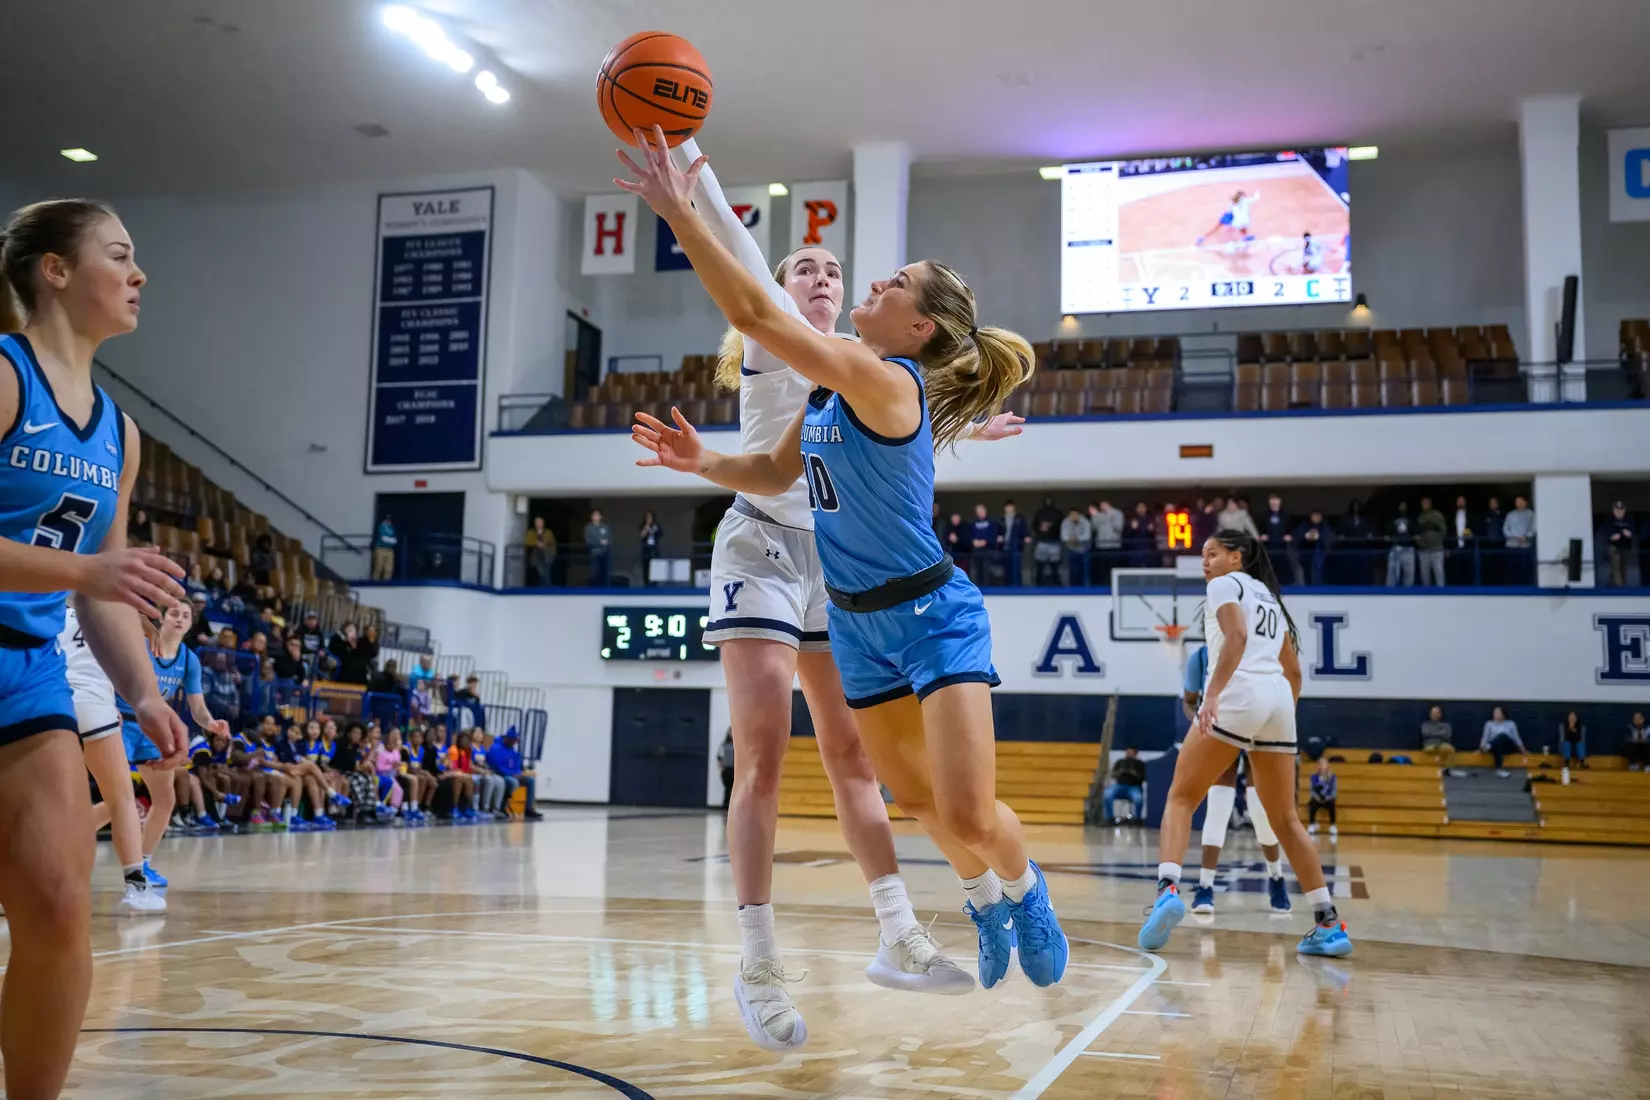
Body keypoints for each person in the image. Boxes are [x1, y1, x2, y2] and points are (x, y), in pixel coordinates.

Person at [624, 124, 1068, 1030]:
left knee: (966, 810)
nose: (857, 283)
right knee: (904, 795)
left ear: (920, 327)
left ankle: (1014, 891)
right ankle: (966, 906)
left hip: (926, 610)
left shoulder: (877, 373)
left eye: (884, 283)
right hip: (842, 607)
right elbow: (775, 471)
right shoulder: (832, 388)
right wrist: (701, 460)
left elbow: (754, 309)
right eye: (822, 272)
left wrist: (682, 208)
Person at [0, 198, 193, 1099]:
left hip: (26, 669)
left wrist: (146, 694)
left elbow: (105, 583)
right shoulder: (3, 377)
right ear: (55, 271)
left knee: (59, 903)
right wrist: (82, 577)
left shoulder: (120, 431)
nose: (140, 273)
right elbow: (91, 576)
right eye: (120, 254)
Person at [1137, 530, 1351, 958]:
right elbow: (1294, 673)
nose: (1205, 562)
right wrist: (1276, 720)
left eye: (1213, 554)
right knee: (1286, 819)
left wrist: (1212, 694)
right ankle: (1328, 922)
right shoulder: (1272, 600)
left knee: (1180, 796)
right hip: (1277, 704)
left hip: (1238, 694)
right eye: (1203, 555)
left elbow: (1235, 639)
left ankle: (1167, 890)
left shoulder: (1223, 586)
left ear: (1237, 558)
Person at [96, 600, 229, 888]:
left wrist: (211, 724)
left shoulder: (189, 659)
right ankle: (73, 836)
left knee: (165, 798)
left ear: (191, 623)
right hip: (121, 722)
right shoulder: (140, 643)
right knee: (119, 799)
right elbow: (106, 674)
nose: (180, 619)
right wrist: (108, 706)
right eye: (174, 614)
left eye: (185, 615)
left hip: (153, 729)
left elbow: (197, 707)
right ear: (162, 618)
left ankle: (142, 864)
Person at [1180, 643, 1291, 918]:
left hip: (1258, 723)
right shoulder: (1202, 656)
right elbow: (1188, 700)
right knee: (1217, 807)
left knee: (1260, 809)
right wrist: (1199, 720)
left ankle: (1276, 878)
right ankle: (1205, 886)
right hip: (1222, 725)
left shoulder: (1258, 647)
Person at [484, 728, 543, 820]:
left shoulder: (512, 751)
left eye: (516, 741)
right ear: (507, 739)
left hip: (512, 774)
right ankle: (503, 806)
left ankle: (528, 809)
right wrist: (512, 774)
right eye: (513, 740)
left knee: (530, 780)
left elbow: (516, 766)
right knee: (513, 782)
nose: (514, 743)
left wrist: (518, 773)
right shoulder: (496, 748)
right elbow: (497, 767)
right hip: (500, 774)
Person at [1196, 189, 1261, 247]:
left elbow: (1228, 212)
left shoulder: (1233, 203)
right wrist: (1257, 191)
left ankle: (1202, 238)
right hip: (1241, 221)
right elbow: (1256, 198)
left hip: (1233, 220)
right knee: (1242, 227)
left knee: (1216, 228)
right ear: (1243, 196)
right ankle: (1244, 237)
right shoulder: (1246, 201)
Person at [1102, 746, 1147, 823]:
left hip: (1134, 787)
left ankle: (1137, 819)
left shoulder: (1140, 764)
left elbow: (1144, 778)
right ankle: (1110, 818)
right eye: (1127, 752)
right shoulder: (1120, 762)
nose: (1128, 754)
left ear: (1135, 753)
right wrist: (1120, 772)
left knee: (1138, 798)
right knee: (1107, 794)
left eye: (1131, 752)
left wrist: (1133, 773)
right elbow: (1113, 775)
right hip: (1119, 786)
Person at [1479, 706, 1527, 772]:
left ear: (1503, 715)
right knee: (1497, 744)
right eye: (1494, 712)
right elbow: (1485, 737)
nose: (1495, 714)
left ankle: (1488, 747)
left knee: (1502, 736)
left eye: (1498, 712)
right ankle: (1498, 767)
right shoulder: (1489, 724)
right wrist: (1481, 747)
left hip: (1508, 747)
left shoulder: (1511, 724)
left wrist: (1523, 750)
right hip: (1495, 747)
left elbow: (1516, 738)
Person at [966, 503, 1001, 587]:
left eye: (981, 510)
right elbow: (970, 537)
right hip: (976, 553)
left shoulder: (992, 523)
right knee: (977, 573)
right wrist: (974, 542)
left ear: (985, 511)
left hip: (988, 553)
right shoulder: (973, 524)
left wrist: (985, 542)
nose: (980, 512)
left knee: (986, 572)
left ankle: (987, 588)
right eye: (978, 511)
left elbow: (993, 536)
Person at [1415, 496, 1448, 587]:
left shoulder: (1437, 515)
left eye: (1426, 503)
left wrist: (1436, 540)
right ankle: (1426, 595)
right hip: (1424, 550)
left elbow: (1444, 531)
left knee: (1439, 572)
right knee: (1424, 575)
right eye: (1423, 503)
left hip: (1437, 550)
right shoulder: (1420, 518)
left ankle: (1441, 593)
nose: (1424, 505)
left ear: (1430, 504)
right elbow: (1417, 533)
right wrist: (1419, 541)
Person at [1604, 501, 1635, 587]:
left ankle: (1618, 583)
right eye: (1617, 510)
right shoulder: (1609, 520)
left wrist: (1628, 533)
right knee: (1615, 563)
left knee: (1623, 567)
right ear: (1613, 510)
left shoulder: (1629, 519)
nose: (1619, 512)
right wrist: (1612, 537)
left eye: (1621, 510)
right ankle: (1619, 586)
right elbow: (1606, 533)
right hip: (1613, 546)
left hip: (1625, 546)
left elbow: (1633, 532)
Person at [1386, 501, 1416, 587]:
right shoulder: (1392, 518)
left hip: (1409, 548)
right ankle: (1390, 593)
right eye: (1401, 506)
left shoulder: (1411, 518)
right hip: (1396, 548)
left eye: (1404, 506)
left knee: (1409, 574)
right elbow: (1388, 532)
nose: (1402, 507)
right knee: (1393, 575)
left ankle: (1409, 593)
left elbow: (1415, 532)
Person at [1306, 758, 1338, 838]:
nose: (1322, 766)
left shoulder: (1332, 777)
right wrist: (1317, 797)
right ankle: (1312, 824)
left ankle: (1333, 825)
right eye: (1320, 764)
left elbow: (1334, 791)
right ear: (1318, 766)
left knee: (1332, 804)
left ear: (1327, 766)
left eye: (1324, 764)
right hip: (1317, 799)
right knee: (1311, 803)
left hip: (1328, 799)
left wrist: (1329, 797)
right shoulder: (1314, 777)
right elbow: (1312, 791)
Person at [1060, 506, 1091, 586]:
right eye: (1071, 515)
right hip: (1071, 549)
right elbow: (1063, 536)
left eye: (1075, 515)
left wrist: (1077, 539)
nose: (1073, 517)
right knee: (1072, 569)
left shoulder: (1085, 522)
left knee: (1083, 570)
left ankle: (1083, 587)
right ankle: (1073, 587)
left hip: (1084, 550)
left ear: (1079, 515)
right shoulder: (1065, 522)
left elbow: (1087, 536)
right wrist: (1071, 539)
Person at [1000, 499, 1028, 585]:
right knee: (1006, 568)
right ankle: (1007, 586)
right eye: (1007, 507)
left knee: (1016, 568)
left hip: (1016, 547)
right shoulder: (1002, 519)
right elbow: (999, 531)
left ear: (1014, 508)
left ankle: (1017, 586)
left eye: (1010, 507)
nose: (1009, 509)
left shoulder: (1019, 518)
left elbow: (1024, 530)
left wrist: (1026, 537)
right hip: (1005, 547)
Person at [523, 515, 556, 587]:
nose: (539, 523)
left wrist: (545, 544)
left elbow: (552, 542)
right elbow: (527, 541)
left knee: (546, 571)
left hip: (547, 555)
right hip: (536, 556)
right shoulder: (531, 532)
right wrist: (536, 543)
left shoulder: (548, 532)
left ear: (543, 522)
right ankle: (545, 586)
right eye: (537, 521)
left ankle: (546, 586)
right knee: (540, 572)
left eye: (540, 521)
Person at [584, 508, 612, 586]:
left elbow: (609, 539)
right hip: (593, 554)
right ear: (591, 516)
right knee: (594, 573)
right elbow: (588, 540)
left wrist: (606, 543)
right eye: (594, 515)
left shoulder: (605, 527)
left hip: (605, 554)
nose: (596, 516)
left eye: (597, 515)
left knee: (604, 573)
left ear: (601, 517)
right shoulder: (588, 527)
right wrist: (600, 542)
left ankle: (605, 589)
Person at [638, 510, 663, 585]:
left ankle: (655, 583)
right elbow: (641, 536)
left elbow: (660, 534)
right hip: (646, 549)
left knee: (655, 567)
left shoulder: (656, 525)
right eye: (647, 516)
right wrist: (646, 526)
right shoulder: (643, 525)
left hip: (654, 548)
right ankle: (646, 583)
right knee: (646, 567)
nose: (648, 518)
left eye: (650, 516)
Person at [371, 514, 397, 580]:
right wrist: (391, 540)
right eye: (387, 519)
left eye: (389, 519)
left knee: (389, 568)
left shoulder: (391, 528)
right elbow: (383, 538)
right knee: (378, 567)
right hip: (380, 548)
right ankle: (375, 583)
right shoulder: (381, 526)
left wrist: (391, 540)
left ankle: (386, 583)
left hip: (389, 549)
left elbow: (395, 539)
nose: (388, 521)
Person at [718, 728, 735, 810]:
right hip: (727, 769)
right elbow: (719, 757)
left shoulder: (738, 744)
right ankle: (725, 805)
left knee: (734, 789)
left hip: (735, 769)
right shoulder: (724, 745)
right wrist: (721, 768)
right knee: (728, 788)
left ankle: (732, 806)